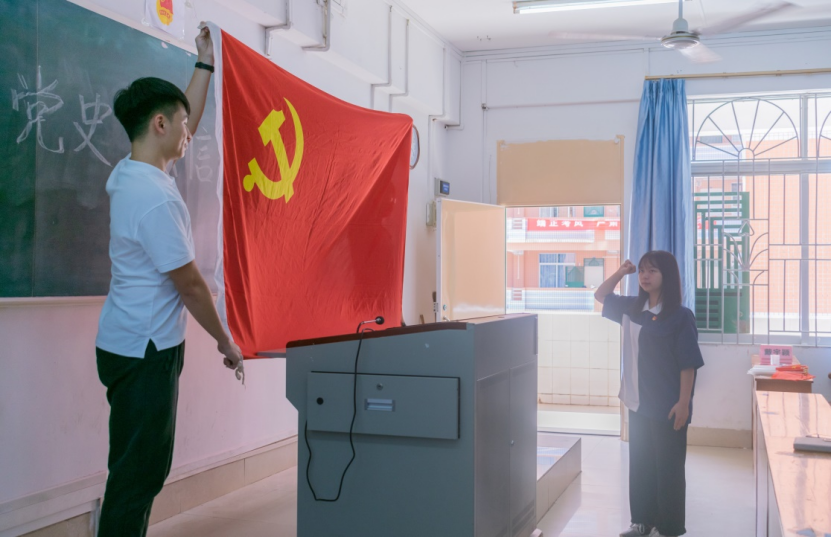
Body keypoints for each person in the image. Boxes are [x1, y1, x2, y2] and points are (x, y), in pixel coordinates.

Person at [94, 25, 243, 537]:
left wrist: (204, 61)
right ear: (159, 124)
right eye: (181, 125)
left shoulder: (135, 172)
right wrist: (226, 342)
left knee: (133, 469)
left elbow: (186, 121)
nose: (189, 133)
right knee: (139, 476)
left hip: (127, 341)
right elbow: (191, 286)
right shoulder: (154, 198)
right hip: (145, 352)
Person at [594, 251, 704, 537]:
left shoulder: (680, 316)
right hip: (637, 403)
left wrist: (684, 403)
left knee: (668, 469)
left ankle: (668, 528)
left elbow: (688, 363)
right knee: (641, 464)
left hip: (667, 406)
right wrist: (621, 272)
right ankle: (641, 522)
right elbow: (600, 295)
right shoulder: (632, 308)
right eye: (642, 270)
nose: (644, 275)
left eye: (652, 271)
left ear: (667, 276)